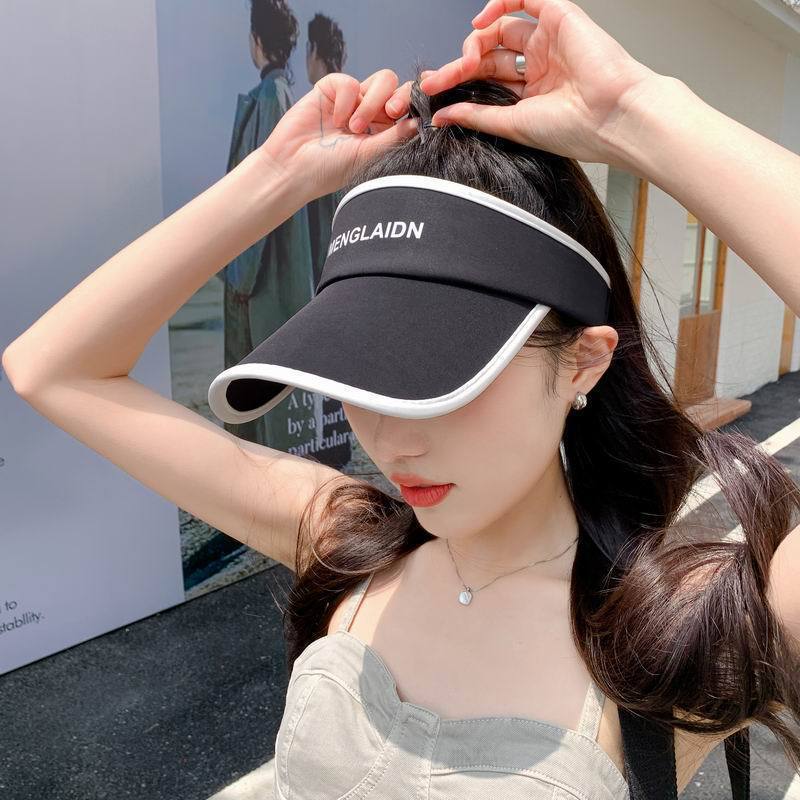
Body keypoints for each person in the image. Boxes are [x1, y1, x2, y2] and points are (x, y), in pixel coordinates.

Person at [5, 1, 800, 797]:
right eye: (361, 375)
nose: (389, 441)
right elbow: (51, 369)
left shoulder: (679, 628)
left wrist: (635, 110)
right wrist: (280, 175)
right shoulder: (350, 543)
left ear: (583, 363)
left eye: (440, 381)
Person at [221, 0, 317, 455]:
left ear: (256, 41)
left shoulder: (266, 99)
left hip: (259, 282)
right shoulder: (291, 99)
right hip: (283, 276)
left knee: (252, 410)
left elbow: (254, 203)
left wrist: (240, 279)